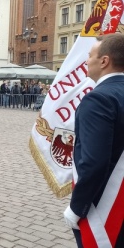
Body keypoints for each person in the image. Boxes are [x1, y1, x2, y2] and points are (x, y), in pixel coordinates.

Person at [62, 33, 124, 247]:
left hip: (106, 210)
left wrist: (77, 208)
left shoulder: (99, 99)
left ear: (104, 61)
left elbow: (94, 162)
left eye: (90, 56)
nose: (87, 61)